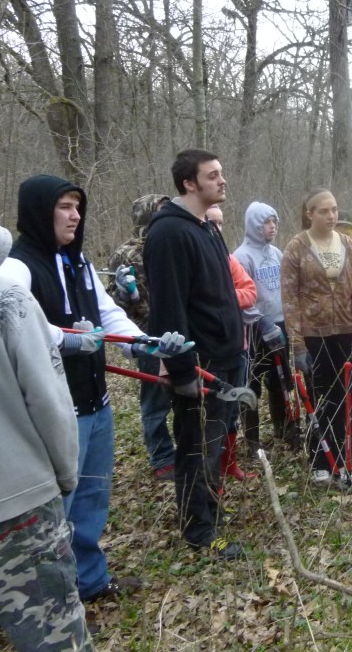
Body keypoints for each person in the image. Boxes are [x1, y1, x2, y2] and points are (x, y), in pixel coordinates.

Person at [0, 175, 188, 602]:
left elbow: (108, 312)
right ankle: (51, 595)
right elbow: (10, 321)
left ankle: (90, 579)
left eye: (77, 206)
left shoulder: (78, 262)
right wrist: (65, 338)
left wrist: (145, 342)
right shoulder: (18, 265)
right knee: (57, 508)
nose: (75, 215)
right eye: (64, 207)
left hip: (96, 403)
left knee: (92, 498)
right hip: (54, 411)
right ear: (39, 211)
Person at [0, 195, 90, 651]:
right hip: (18, 506)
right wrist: (65, 473)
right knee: (51, 637)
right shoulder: (7, 298)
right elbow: (50, 401)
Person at [143, 149, 248, 559]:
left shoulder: (206, 227)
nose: (222, 181)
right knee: (195, 449)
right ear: (189, 183)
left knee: (214, 445)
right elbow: (169, 309)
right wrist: (184, 371)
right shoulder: (169, 233)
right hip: (199, 365)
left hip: (225, 357)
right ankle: (201, 533)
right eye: (213, 175)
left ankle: (209, 514)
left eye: (221, 173)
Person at [282, 188, 352, 487]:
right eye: (324, 211)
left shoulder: (347, 243)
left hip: (346, 332)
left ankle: (347, 458)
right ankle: (321, 459)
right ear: (310, 213)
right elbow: (290, 299)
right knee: (320, 398)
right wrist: (297, 343)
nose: (331, 215)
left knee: (347, 398)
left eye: (334, 209)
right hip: (313, 335)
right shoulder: (296, 247)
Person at [107, 193, 176, 481]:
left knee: (183, 389)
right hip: (145, 332)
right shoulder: (126, 253)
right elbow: (111, 302)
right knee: (155, 396)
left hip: (176, 328)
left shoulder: (170, 242)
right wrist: (127, 293)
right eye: (159, 210)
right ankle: (161, 456)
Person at [233, 202, 301, 451]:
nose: (272, 227)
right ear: (254, 225)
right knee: (253, 383)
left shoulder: (277, 253)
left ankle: (282, 429)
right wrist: (260, 322)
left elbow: (285, 288)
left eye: (275, 222)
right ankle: (252, 441)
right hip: (255, 330)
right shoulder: (242, 256)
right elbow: (241, 297)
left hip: (280, 325)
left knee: (280, 380)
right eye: (267, 222)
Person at [205, 204, 257, 483]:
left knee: (233, 408)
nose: (216, 229)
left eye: (221, 224)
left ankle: (230, 466)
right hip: (210, 353)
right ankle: (211, 478)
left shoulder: (229, 261)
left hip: (240, 347)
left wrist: (223, 298)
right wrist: (226, 298)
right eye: (211, 222)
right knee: (213, 416)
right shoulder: (199, 259)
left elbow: (250, 291)